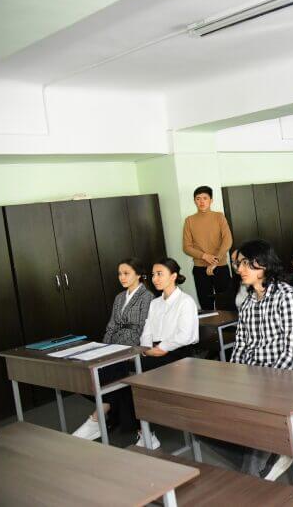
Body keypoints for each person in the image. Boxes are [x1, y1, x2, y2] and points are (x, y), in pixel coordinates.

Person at [229, 239, 293, 481]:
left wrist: (264, 385)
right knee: (212, 417)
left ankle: (259, 470)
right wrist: (231, 379)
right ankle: (271, 454)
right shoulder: (247, 304)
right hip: (254, 382)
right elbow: (240, 348)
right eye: (238, 264)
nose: (240, 269)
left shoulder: (288, 298)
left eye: (246, 263)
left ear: (263, 264)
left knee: (253, 417)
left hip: (285, 381)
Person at [72, 258, 155, 441]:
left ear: (138, 275)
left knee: (114, 372)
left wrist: (133, 350)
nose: (122, 277)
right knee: (89, 372)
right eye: (119, 274)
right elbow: (111, 326)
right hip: (114, 345)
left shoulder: (147, 296)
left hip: (132, 345)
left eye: (126, 273)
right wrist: (103, 349)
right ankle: (105, 416)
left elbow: (143, 327)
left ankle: (96, 420)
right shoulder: (119, 297)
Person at [137, 258, 200, 449]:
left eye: (160, 274)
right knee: (124, 370)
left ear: (173, 276)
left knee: (141, 376)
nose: (155, 279)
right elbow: (147, 330)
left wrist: (161, 348)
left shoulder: (185, 301)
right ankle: (144, 430)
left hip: (178, 353)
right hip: (154, 351)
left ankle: (147, 431)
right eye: (153, 275)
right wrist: (146, 348)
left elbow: (184, 336)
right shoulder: (155, 303)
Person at [182, 185, 233, 310]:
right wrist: (205, 256)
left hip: (220, 267)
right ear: (194, 201)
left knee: (226, 303)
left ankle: (229, 324)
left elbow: (228, 240)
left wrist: (215, 261)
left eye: (205, 198)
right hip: (200, 269)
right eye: (198, 198)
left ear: (211, 200)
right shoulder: (189, 220)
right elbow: (186, 247)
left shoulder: (219, 217)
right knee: (206, 305)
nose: (201, 202)